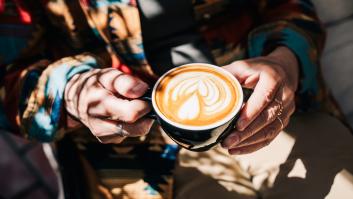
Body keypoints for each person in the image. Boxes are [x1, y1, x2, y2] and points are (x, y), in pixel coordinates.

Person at [1, 0, 353, 198]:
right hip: (131, 143)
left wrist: (285, 61)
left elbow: (290, 6)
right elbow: (8, 79)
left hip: (261, 102)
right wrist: (71, 93)